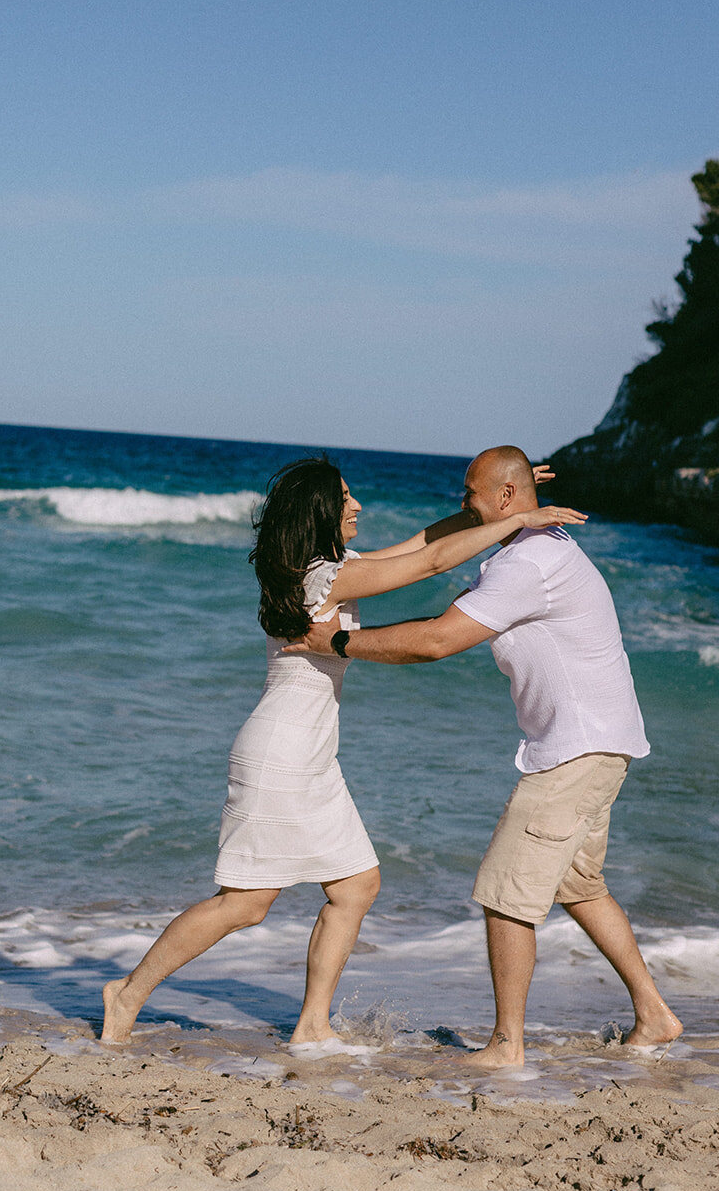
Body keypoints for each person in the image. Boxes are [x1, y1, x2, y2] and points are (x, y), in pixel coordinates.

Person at [100, 455, 586, 1048]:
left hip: (311, 753)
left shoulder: (336, 568)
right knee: (246, 904)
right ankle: (127, 992)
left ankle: (311, 1026)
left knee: (356, 886)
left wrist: (492, 501)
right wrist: (516, 522)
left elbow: (423, 542)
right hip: (280, 750)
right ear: (320, 512)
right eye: (346, 498)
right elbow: (430, 563)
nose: (357, 507)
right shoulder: (319, 578)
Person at [290, 445, 683, 1065]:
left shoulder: (529, 563)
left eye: (472, 493)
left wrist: (339, 642)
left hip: (574, 751)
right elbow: (431, 566)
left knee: (505, 893)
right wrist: (501, 505)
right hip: (598, 742)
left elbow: (439, 640)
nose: (463, 504)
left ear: (505, 497)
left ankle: (507, 1044)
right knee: (579, 885)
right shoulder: (529, 553)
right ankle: (655, 1015)